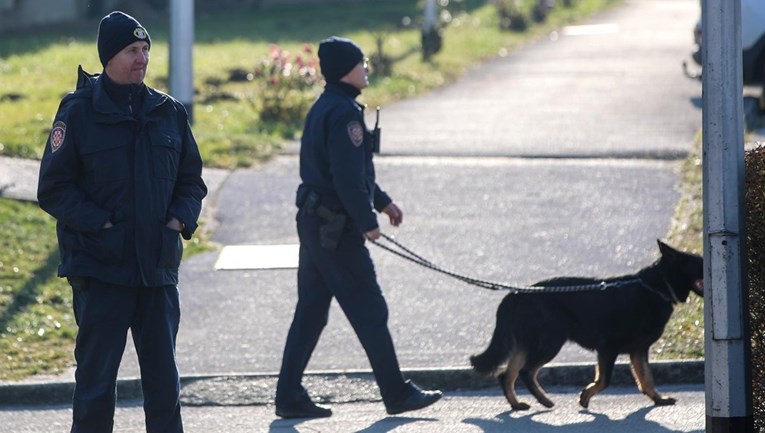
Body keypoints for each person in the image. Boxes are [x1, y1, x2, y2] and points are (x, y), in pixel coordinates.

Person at [37, 11, 207, 433]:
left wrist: (177, 223)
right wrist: (101, 225)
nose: (142, 58)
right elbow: (53, 188)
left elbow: (191, 181)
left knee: (165, 388)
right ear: (109, 56)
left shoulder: (167, 112)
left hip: (157, 272)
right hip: (101, 271)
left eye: (146, 49)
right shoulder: (78, 112)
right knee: (95, 389)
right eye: (132, 50)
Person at [274, 36, 442, 419]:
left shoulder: (327, 106)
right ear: (346, 69)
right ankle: (396, 392)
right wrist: (367, 222)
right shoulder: (346, 114)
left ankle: (288, 396)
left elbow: (351, 171)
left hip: (316, 222)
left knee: (312, 311)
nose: (366, 67)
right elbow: (347, 179)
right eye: (361, 62)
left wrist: (382, 202)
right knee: (370, 307)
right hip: (336, 230)